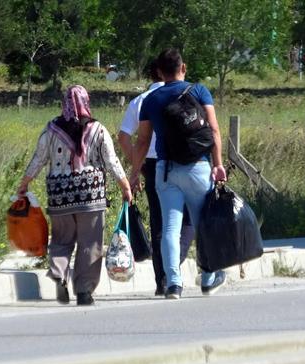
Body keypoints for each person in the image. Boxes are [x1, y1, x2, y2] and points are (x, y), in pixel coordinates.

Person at [17, 85, 132, 306]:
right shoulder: (98, 129)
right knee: (90, 243)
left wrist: (24, 183)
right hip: (91, 196)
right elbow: (112, 161)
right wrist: (125, 185)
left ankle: (60, 273)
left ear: (64, 104)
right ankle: (84, 291)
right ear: (86, 102)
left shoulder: (51, 129)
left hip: (60, 197)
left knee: (61, 240)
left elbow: (38, 159)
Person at [129, 48, 227, 300]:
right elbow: (214, 130)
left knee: (170, 228)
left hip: (166, 170)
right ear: (184, 68)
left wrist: (134, 172)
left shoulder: (151, 99)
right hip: (198, 167)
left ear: (160, 72)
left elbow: (142, 141)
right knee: (201, 222)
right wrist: (218, 164)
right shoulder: (199, 91)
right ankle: (208, 277)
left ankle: (173, 283)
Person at [117, 60, 195, 297]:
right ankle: (173, 268)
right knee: (188, 220)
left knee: (159, 222)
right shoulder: (183, 94)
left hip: (150, 166)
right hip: (184, 161)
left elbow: (123, 137)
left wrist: (136, 167)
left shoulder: (140, 100)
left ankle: (162, 280)